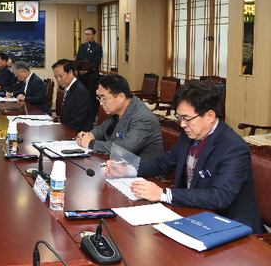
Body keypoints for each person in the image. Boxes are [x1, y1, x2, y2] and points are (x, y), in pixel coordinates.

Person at [107, 80, 265, 234]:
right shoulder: (189, 134)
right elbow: (165, 162)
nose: (182, 124)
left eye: (187, 118)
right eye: (179, 118)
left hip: (230, 227)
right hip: (194, 213)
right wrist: (128, 170)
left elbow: (219, 196)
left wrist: (163, 194)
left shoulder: (233, 148)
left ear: (210, 116)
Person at [76, 74, 163, 161]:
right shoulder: (117, 110)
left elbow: (124, 148)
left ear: (121, 97)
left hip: (142, 171)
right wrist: (89, 135)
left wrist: (91, 143)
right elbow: (103, 128)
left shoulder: (143, 118)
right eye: (100, 99)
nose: (101, 103)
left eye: (104, 99)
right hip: (120, 165)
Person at [51, 59, 93, 132]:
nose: (58, 80)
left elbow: (77, 123)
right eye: (56, 77)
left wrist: (60, 132)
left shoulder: (80, 92)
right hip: (67, 130)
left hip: (78, 135)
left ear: (70, 73)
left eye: (61, 76)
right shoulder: (70, 88)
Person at [75, 27, 102, 120]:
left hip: (91, 76)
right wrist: (80, 69)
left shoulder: (97, 47)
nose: (86, 36)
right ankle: (82, 114)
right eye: (85, 34)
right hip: (81, 76)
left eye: (88, 34)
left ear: (94, 35)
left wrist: (87, 70)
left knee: (91, 96)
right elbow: (78, 59)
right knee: (81, 95)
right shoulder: (82, 47)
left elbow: (96, 61)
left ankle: (92, 116)